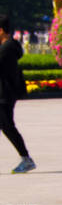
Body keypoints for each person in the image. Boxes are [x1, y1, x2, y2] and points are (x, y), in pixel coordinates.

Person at [0, 14, 35, 172]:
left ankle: (26, 159)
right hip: (4, 93)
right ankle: (26, 158)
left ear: (1, 30)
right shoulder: (6, 46)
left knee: (7, 126)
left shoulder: (7, 49)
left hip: (4, 94)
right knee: (7, 126)